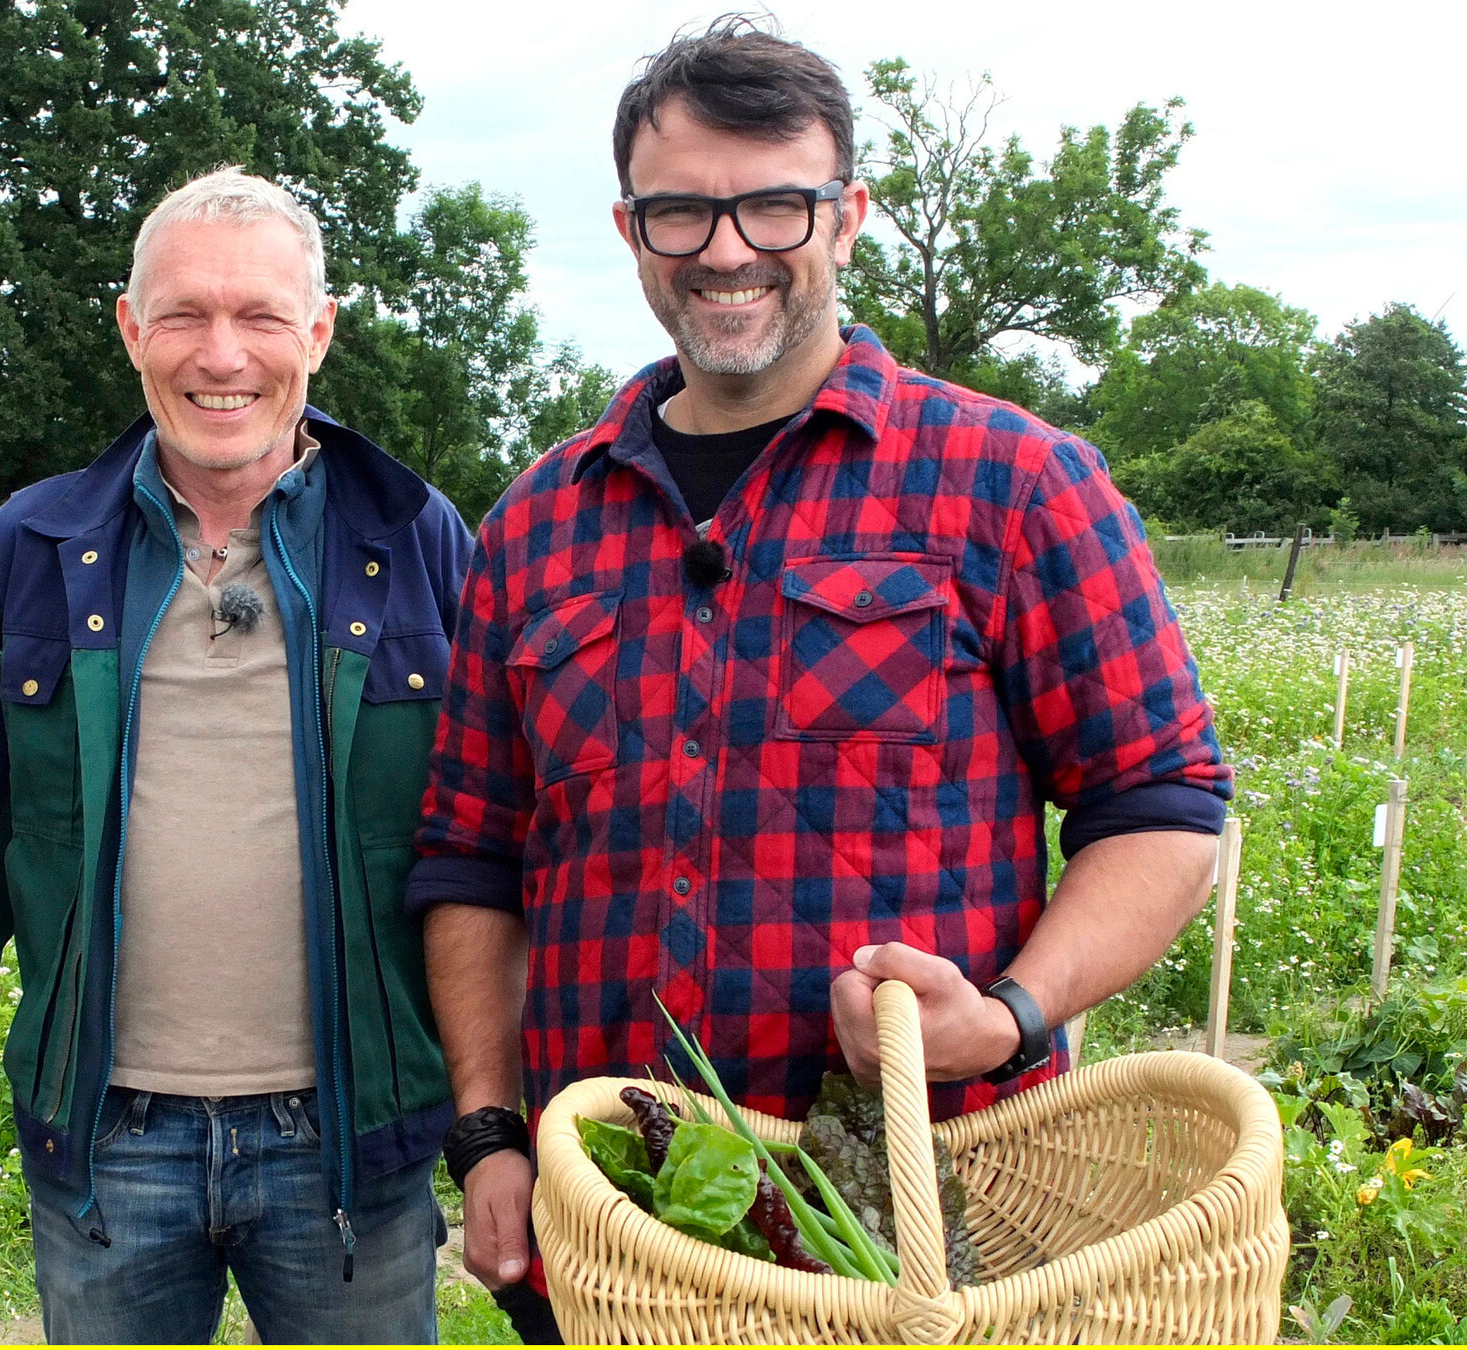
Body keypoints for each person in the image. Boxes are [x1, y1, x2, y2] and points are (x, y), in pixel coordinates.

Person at [410, 15, 1232, 1318]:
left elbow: (1165, 808)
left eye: (774, 207)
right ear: (632, 233)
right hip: (614, 1220)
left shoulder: (1011, 484)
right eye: (680, 213)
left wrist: (1009, 1013)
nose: (727, 251)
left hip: (913, 1219)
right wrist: (488, 1130)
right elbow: (470, 858)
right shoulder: (534, 526)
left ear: (846, 216)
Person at [0, 167, 471, 1344]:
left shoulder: (417, 537)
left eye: (261, 315)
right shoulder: (30, 547)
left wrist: (495, 1110)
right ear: (132, 330)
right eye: (184, 315)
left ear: (317, 332)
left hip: (349, 1143)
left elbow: (484, 847)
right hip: (110, 1143)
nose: (223, 355)